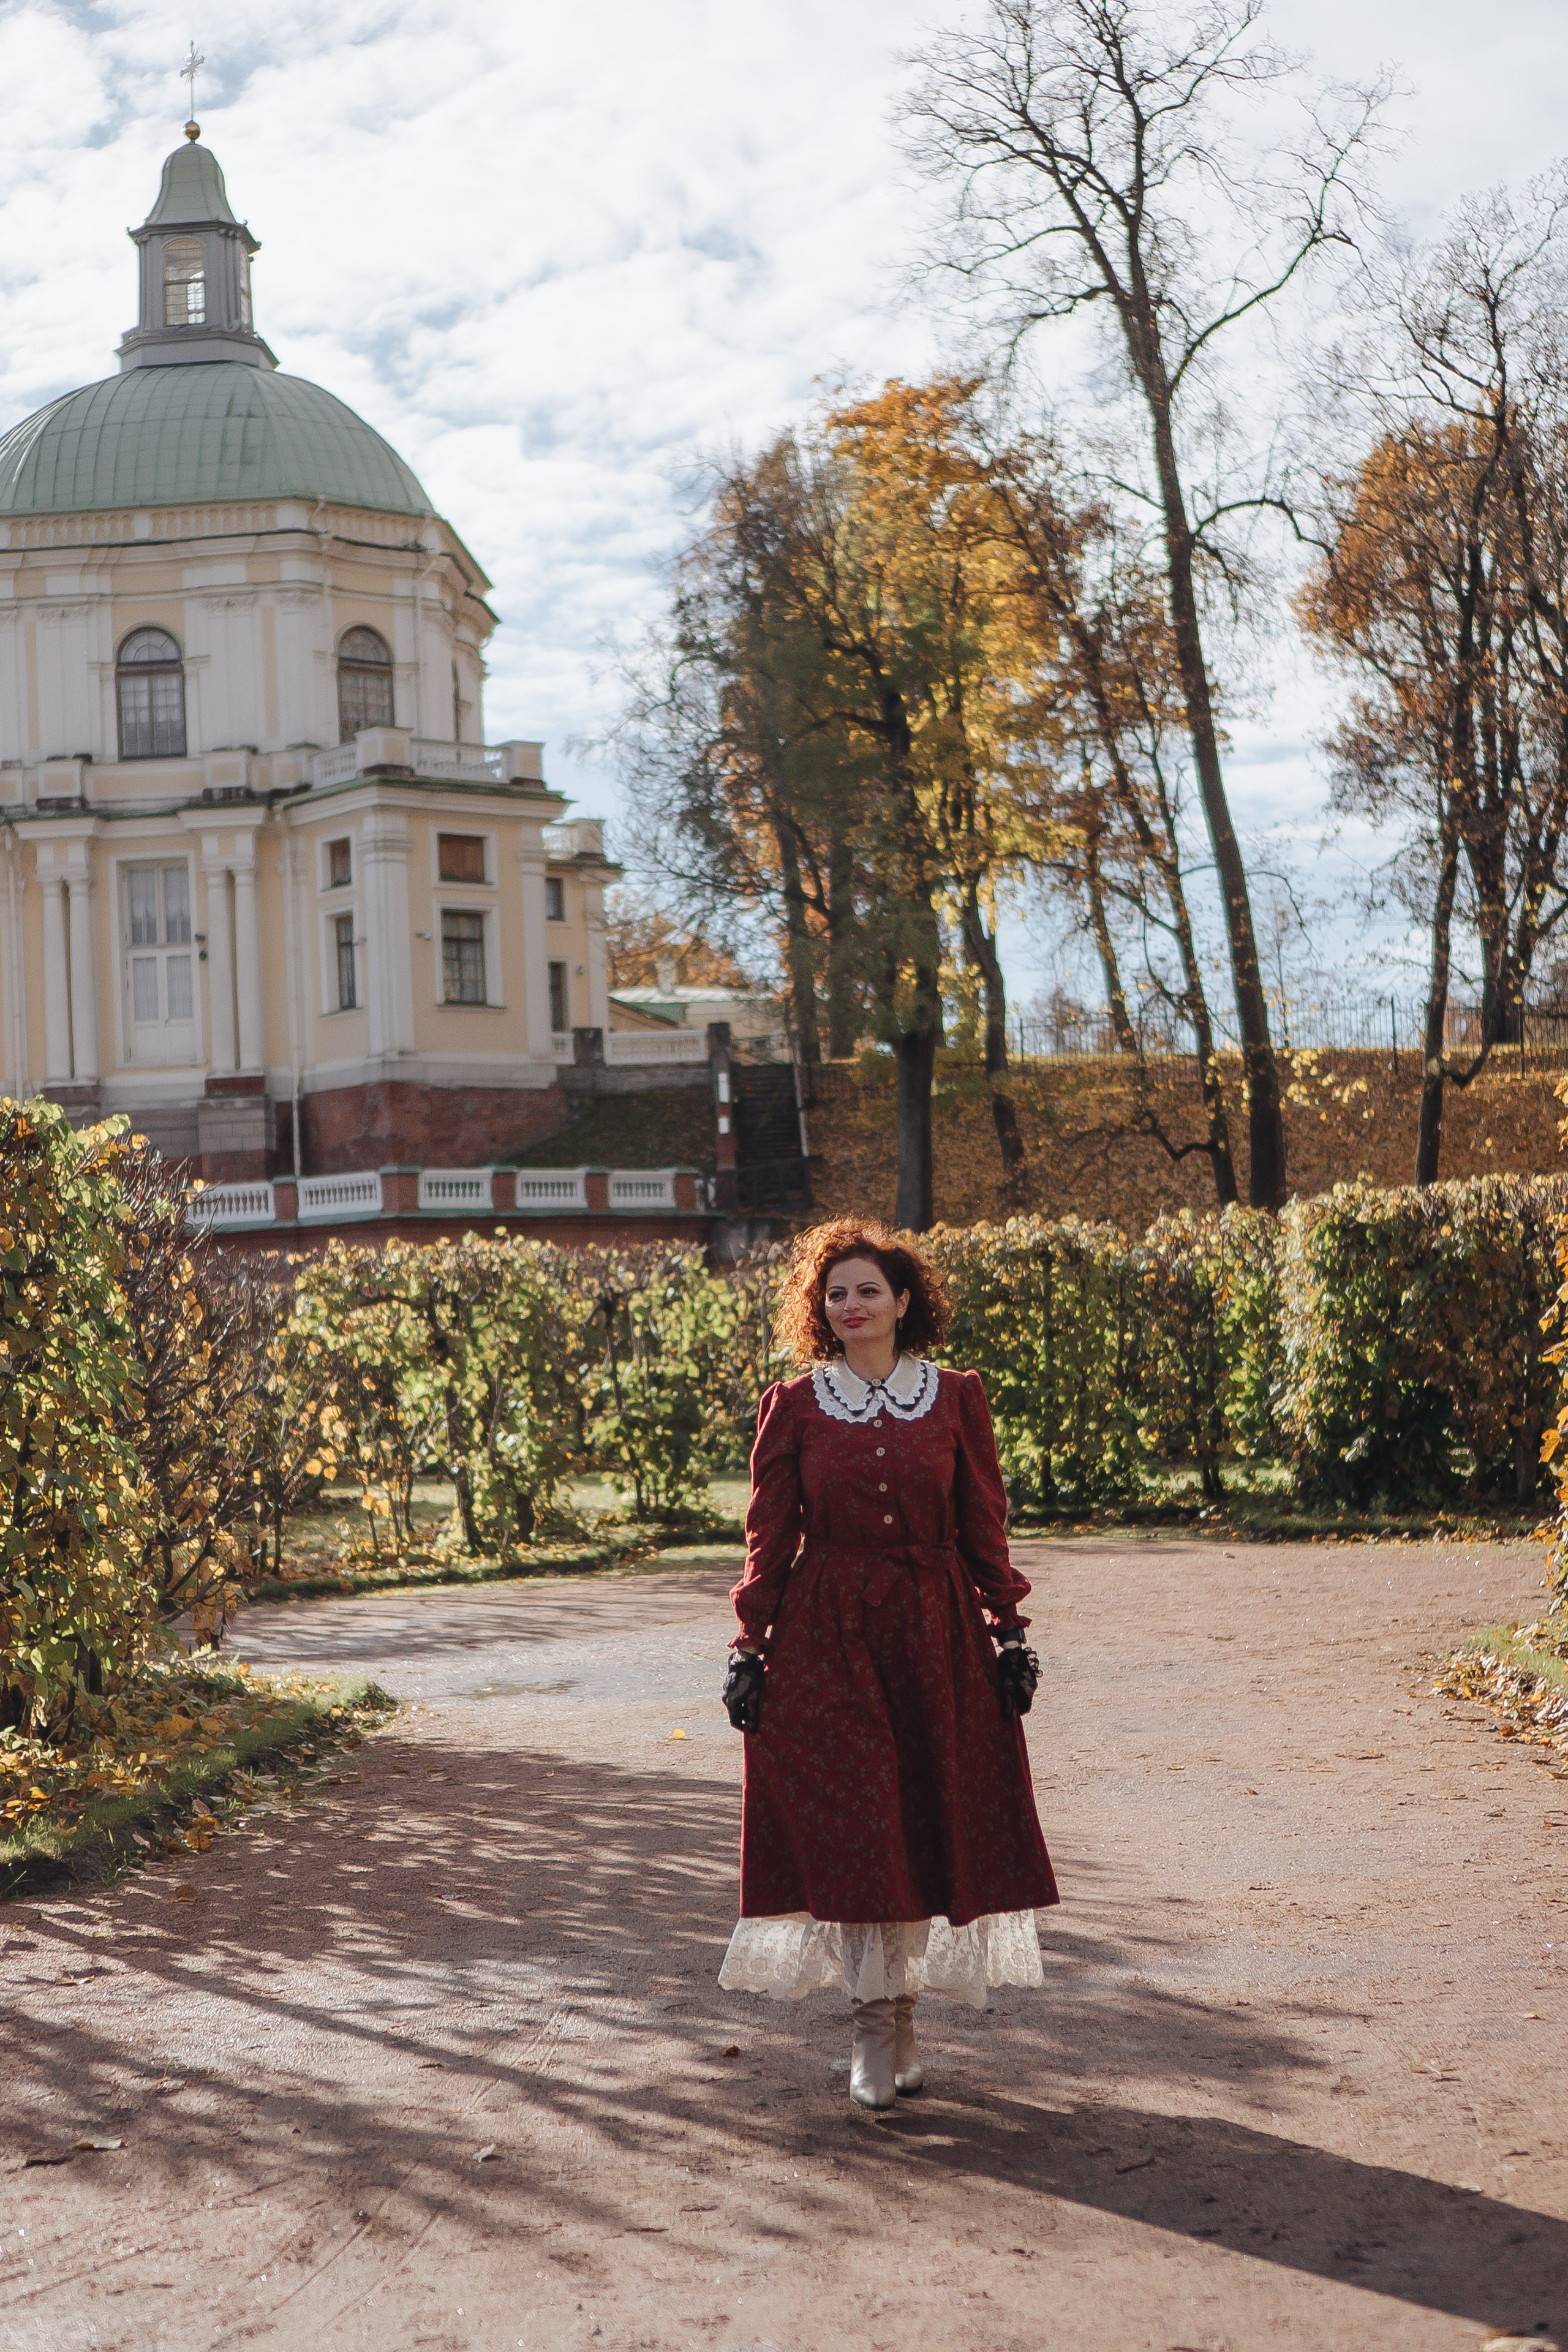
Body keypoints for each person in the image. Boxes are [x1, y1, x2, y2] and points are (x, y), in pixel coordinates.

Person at [717, 1218, 1058, 2111]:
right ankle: (872, 2025)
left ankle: (903, 2017)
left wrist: (1009, 1630)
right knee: (862, 1822)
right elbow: (770, 1538)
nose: (852, 1305)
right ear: (820, 1312)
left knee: (918, 1821)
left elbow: (984, 1521)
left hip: (934, 1631)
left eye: (868, 1290)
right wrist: (748, 1648)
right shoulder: (794, 1406)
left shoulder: (953, 1398)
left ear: (904, 1302)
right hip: (828, 1633)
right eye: (836, 1294)